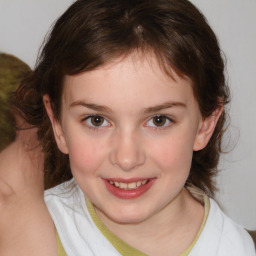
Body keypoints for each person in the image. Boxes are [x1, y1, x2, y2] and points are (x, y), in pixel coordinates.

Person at [0, 0, 255, 255]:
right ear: (58, 124)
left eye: (159, 120)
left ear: (205, 125)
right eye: (97, 120)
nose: (126, 158)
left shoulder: (233, 248)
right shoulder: (24, 235)